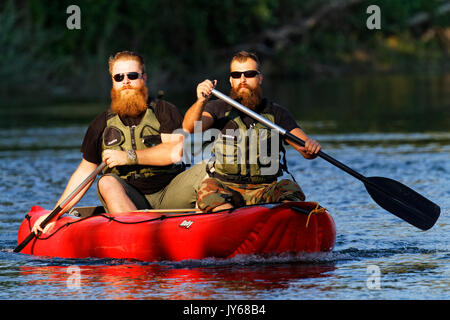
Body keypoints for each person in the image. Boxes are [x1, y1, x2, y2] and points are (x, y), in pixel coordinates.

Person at [33, 51, 205, 233]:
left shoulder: (164, 110)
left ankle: (211, 223)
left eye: (132, 75)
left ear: (144, 78)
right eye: (119, 77)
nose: (126, 81)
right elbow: (84, 172)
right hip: (130, 199)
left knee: (209, 168)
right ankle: (137, 233)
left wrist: (128, 156)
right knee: (106, 182)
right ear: (113, 82)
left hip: (170, 193)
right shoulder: (100, 124)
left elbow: (173, 152)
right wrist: (55, 213)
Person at [182, 51, 321, 212]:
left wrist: (311, 146)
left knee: (290, 188)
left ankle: (279, 220)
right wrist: (201, 101)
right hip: (226, 187)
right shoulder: (217, 108)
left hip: (264, 189)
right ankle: (228, 219)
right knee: (209, 188)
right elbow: (189, 127)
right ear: (230, 80)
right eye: (236, 75)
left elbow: (306, 151)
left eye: (249, 74)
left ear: (259, 78)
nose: (242, 80)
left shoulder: (276, 113)